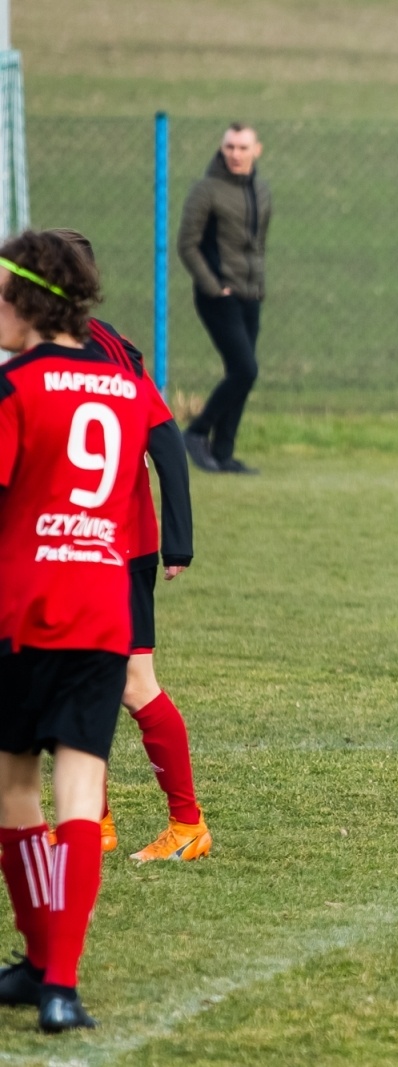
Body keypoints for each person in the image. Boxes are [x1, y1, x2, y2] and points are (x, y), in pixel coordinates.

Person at [0, 230, 176, 1030]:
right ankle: (59, 987)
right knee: (79, 793)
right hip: (104, 610)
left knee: (16, 789)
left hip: (25, 611)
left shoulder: (15, 388)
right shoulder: (126, 388)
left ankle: (41, 958)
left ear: (29, 302)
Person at [50, 230, 211, 862]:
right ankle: (94, 821)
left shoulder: (72, 357)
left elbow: (164, 442)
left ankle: (187, 825)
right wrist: (177, 541)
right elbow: (164, 439)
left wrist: (178, 542)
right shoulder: (112, 345)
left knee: (132, 681)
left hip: (103, 544)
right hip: (95, 541)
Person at [178, 122, 271, 476]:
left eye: (243, 147)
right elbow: (187, 244)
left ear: (256, 151)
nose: (235, 154)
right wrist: (214, 286)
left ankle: (223, 453)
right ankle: (197, 432)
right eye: (230, 147)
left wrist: (257, 285)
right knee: (246, 369)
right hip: (218, 296)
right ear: (222, 149)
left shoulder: (261, 190)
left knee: (241, 374)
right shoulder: (206, 190)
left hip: (251, 294)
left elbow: (257, 245)